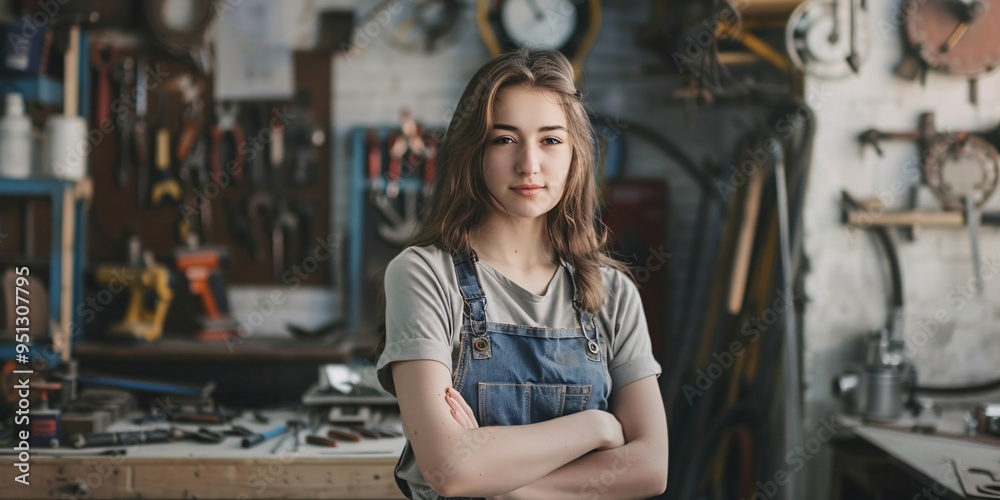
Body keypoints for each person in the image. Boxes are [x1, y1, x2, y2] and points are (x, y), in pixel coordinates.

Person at [374, 48, 669, 499]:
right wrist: (597, 426)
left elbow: (650, 469)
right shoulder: (423, 276)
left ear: (575, 156)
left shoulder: (612, 293)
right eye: (505, 139)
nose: (529, 164)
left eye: (551, 140)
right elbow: (451, 471)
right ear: (474, 152)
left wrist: (503, 484)